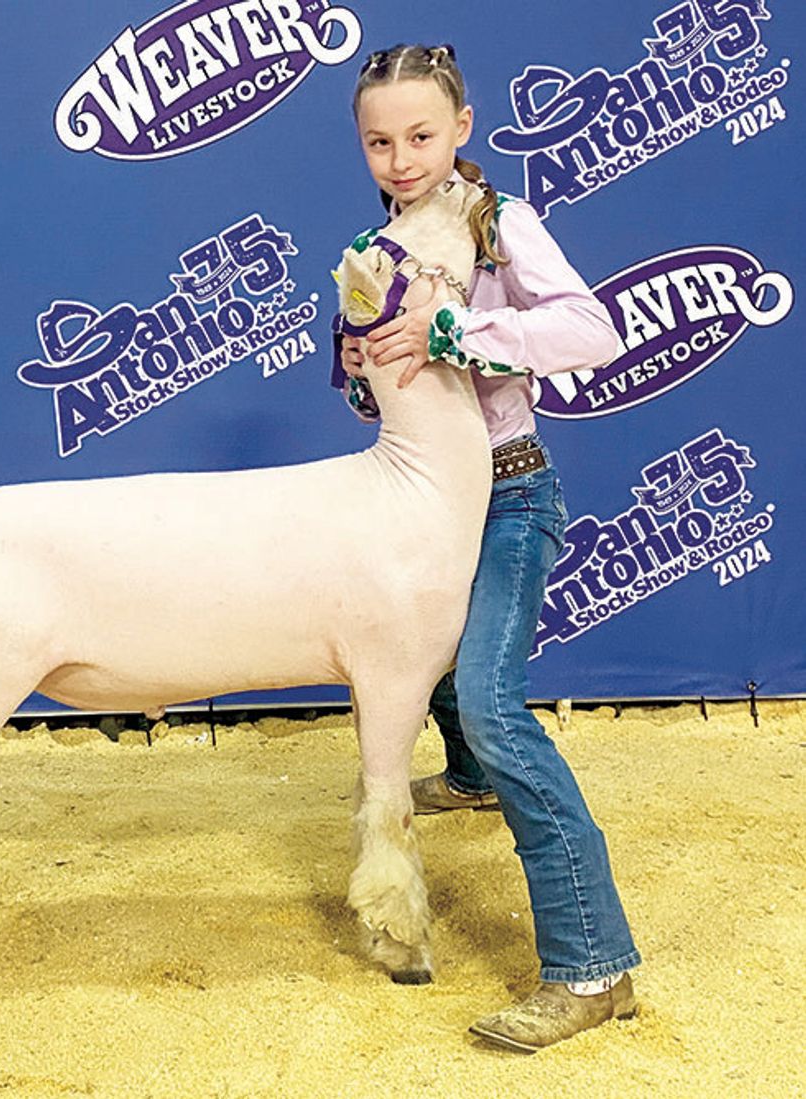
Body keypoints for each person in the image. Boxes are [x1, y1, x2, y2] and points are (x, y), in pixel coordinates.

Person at [334, 43, 641, 1053]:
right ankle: (467, 776)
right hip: (424, 498)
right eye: (380, 141)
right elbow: (375, 385)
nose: (401, 157)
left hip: (508, 492)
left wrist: (455, 334)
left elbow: (591, 328)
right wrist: (358, 358)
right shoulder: (378, 245)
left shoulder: (498, 224)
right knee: (433, 659)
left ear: (462, 128)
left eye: (421, 135)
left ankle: (595, 967)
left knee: (500, 702)